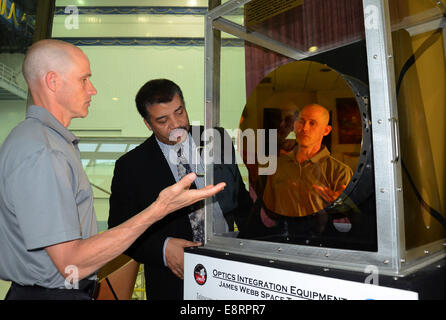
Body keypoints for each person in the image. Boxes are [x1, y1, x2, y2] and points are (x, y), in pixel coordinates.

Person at [0, 40, 225, 300]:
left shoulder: (43, 142)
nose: (92, 89)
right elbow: (70, 262)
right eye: (84, 80)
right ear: (53, 81)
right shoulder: (43, 151)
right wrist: (158, 209)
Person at [108, 79, 252, 300]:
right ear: (148, 124)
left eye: (179, 112)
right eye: (162, 120)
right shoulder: (130, 166)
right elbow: (119, 230)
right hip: (175, 283)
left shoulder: (218, 139)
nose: (176, 124)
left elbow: (240, 200)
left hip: (232, 273)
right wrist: (162, 248)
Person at [261, 104, 353, 230]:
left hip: (320, 244)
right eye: (301, 121)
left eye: (312, 123)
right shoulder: (277, 166)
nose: (304, 128)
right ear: (295, 125)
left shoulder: (340, 172)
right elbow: (268, 212)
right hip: (281, 241)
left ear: (326, 130)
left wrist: (341, 207)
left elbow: (349, 224)